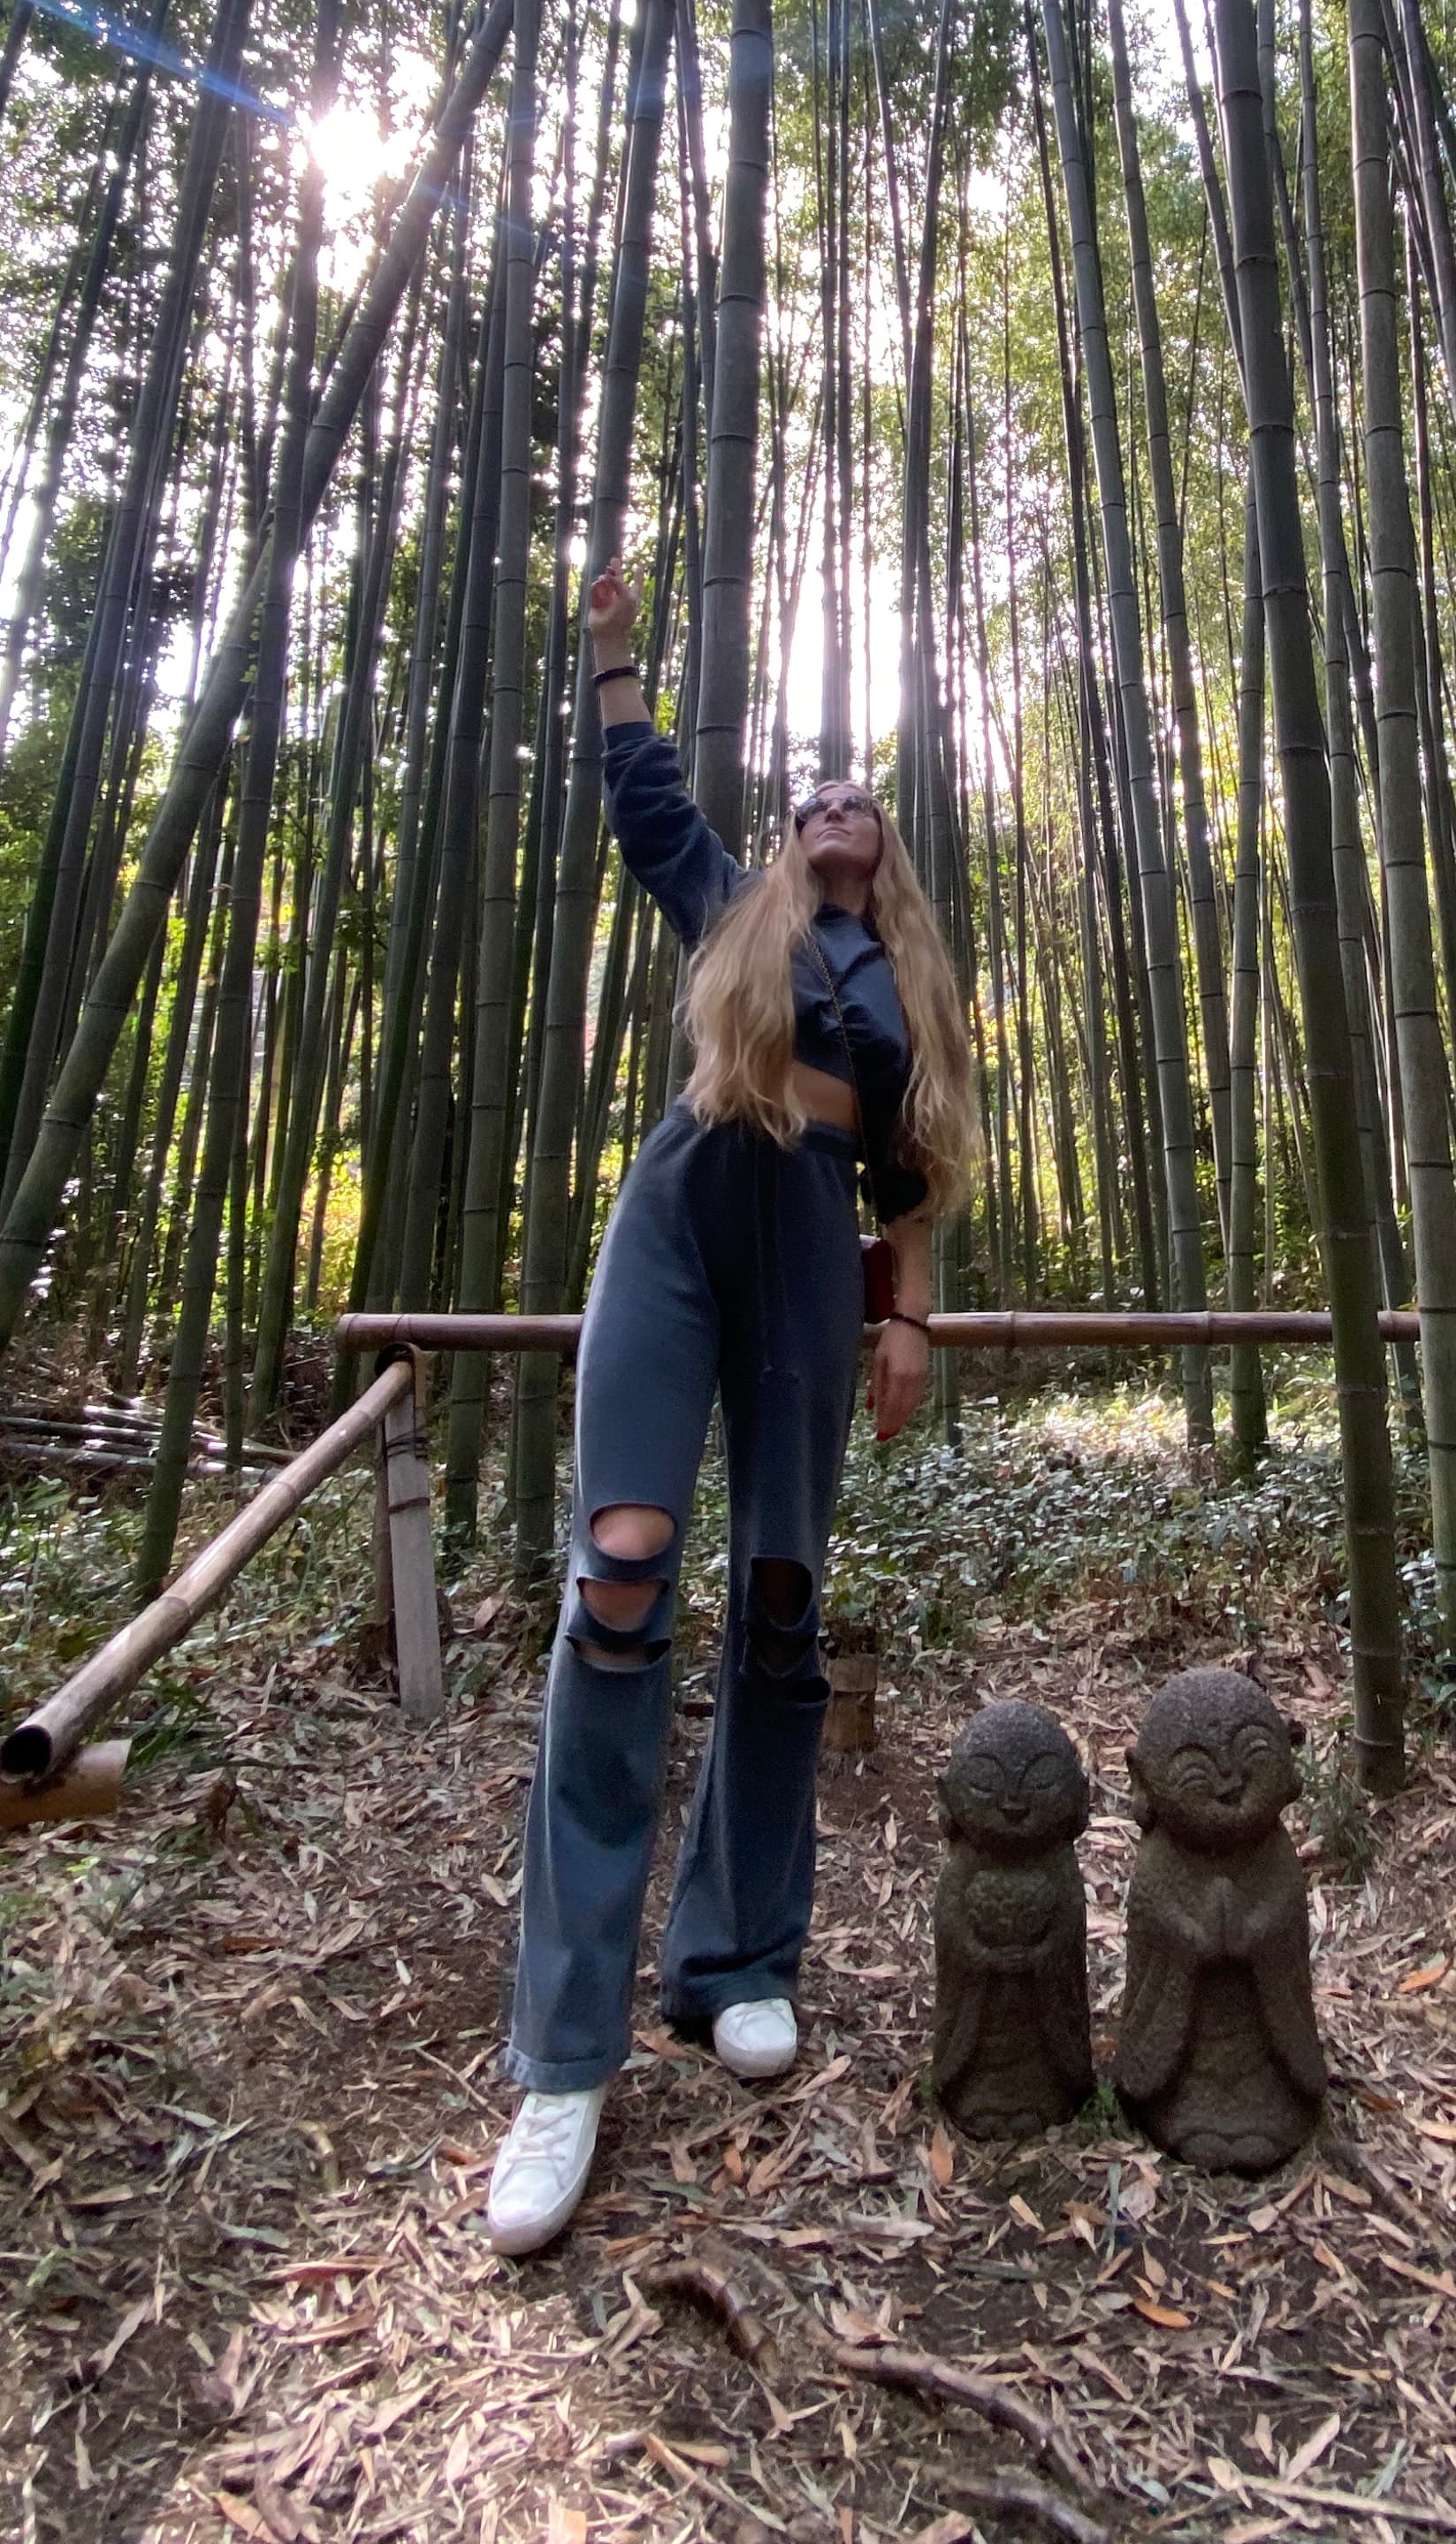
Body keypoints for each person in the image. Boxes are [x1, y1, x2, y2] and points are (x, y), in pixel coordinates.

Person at [486, 562, 979, 2258]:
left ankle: (739, 1961)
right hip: (689, 1207)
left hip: (811, 1249)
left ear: (887, 846)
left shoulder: (912, 985)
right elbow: (643, 801)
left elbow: (916, 1173)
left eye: (865, 791)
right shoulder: (732, 909)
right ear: (786, 832)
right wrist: (617, 656)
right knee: (621, 1566)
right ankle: (565, 2054)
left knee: (784, 1595)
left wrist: (907, 1308)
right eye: (814, 787)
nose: (839, 797)